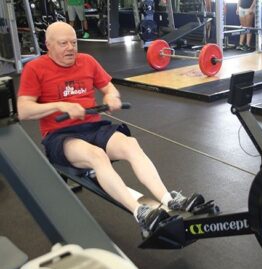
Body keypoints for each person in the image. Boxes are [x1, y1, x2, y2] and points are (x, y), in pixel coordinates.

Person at [17, 22, 205, 237]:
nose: (70, 48)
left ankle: (168, 199)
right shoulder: (35, 68)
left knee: (130, 144)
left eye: (74, 42)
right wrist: (61, 105)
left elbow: (109, 88)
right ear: (48, 45)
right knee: (97, 156)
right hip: (61, 136)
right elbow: (24, 110)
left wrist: (111, 97)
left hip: (94, 126)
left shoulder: (87, 61)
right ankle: (139, 212)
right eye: (63, 44)